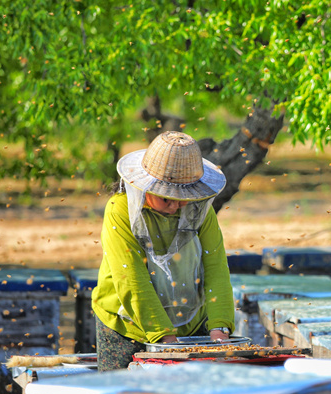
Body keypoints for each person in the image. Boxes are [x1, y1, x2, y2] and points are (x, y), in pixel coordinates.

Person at [92, 131, 236, 371]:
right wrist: (165, 340)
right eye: (166, 198)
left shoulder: (201, 212)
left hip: (190, 322)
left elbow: (216, 267)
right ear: (145, 186)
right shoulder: (120, 211)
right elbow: (131, 279)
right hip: (128, 326)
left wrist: (219, 327)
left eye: (182, 198)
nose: (175, 205)